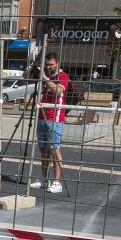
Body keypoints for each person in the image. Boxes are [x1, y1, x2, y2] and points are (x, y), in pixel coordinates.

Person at [30, 52, 70, 194]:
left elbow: (58, 91)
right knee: (43, 149)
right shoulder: (44, 73)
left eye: (50, 64)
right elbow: (25, 78)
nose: (48, 67)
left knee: (54, 150)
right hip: (42, 115)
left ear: (57, 63)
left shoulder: (62, 76)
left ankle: (57, 182)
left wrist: (45, 78)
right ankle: (44, 179)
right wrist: (32, 69)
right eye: (46, 64)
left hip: (55, 117)